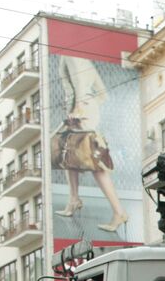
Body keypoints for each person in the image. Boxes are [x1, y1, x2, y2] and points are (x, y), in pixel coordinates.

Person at [52, 57, 129, 233]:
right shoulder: (85, 60)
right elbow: (102, 93)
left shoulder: (68, 55)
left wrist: (79, 108)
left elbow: (76, 84)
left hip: (81, 110)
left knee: (93, 161)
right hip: (87, 107)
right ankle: (74, 199)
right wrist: (87, 104)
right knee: (70, 152)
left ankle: (119, 211)